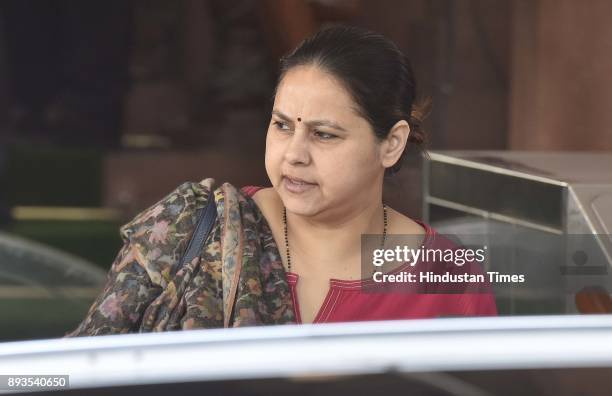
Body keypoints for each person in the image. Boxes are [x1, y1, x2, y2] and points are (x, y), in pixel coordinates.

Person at [66, 25, 496, 337]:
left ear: (392, 143)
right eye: (283, 125)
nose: (294, 154)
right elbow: (78, 371)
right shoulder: (197, 228)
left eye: (324, 134)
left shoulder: (446, 278)